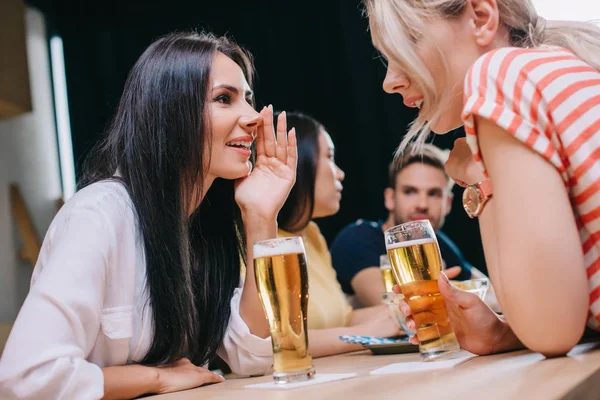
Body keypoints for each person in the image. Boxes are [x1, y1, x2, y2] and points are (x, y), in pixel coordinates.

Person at [0, 32, 298, 399]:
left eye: (249, 100)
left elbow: (251, 355)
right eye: (224, 98)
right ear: (171, 112)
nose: (253, 117)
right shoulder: (100, 215)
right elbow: (26, 377)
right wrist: (157, 378)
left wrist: (260, 217)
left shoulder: (201, 223)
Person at [364, 0, 600, 357]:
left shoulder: (499, 73)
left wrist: (477, 177)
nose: (389, 81)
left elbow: (551, 333)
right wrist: (505, 334)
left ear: (480, 17)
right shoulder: (557, 67)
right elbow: (566, 309)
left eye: (409, 40)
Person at [275, 112, 401, 357]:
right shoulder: (254, 240)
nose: (340, 173)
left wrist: (406, 308)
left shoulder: (310, 233)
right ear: (300, 161)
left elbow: (343, 317)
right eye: (330, 158)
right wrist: (367, 334)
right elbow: (270, 344)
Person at [331, 143, 478, 308]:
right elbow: (397, 310)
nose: (422, 204)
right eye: (410, 191)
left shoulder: (439, 244)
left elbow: (490, 293)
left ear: (448, 203)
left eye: (434, 194)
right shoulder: (358, 239)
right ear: (390, 198)